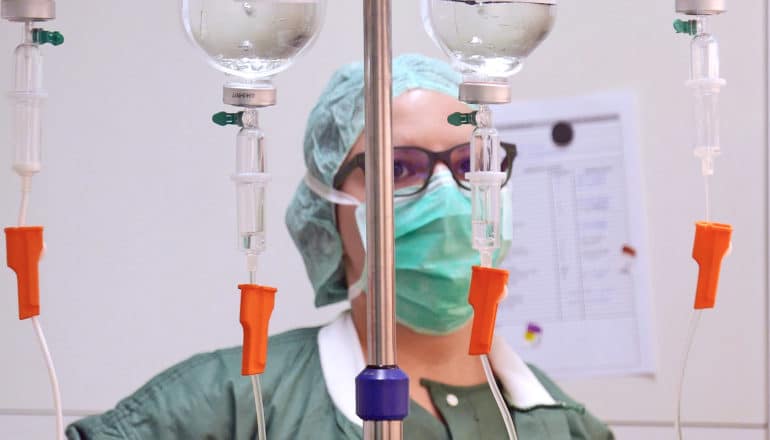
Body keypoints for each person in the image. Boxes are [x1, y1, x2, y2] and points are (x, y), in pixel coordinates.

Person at [65, 54, 614, 440]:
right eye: (398, 168)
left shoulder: (566, 426)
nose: (451, 196)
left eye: (472, 165)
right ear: (328, 211)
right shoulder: (230, 405)